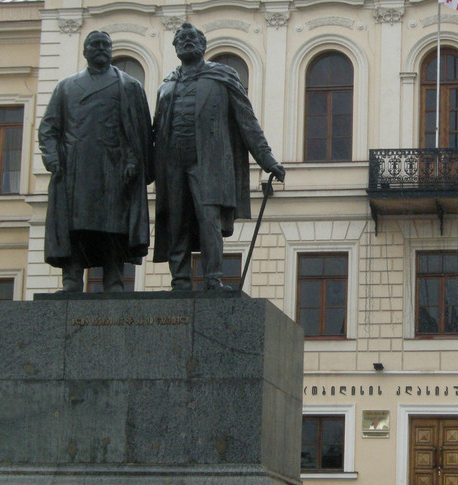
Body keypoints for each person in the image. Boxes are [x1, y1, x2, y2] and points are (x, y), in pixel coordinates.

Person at [153, 23, 285, 291]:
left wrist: (267, 159)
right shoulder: (166, 85)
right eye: (182, 39)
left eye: (192, 39)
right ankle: (180, 280)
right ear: (175, 47)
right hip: (173, 165)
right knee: (176, 222)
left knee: (208, 220)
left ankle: (213, 278)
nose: (187, 42)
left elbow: (247, 121)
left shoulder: (222, 76)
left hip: (209, 163)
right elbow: (157, 131)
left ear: (203, 46)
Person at [39, 31, 154, 292]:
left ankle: (114, 279)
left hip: (114, 168)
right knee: (75, 227)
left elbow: (141, 132)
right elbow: (48, 128)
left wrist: (134, 160)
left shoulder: (129, 85)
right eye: (95, 45)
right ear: (85, 51)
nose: (100, 48)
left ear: (111, 50)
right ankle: (71, 279)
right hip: (75, 169)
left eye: (105, 45)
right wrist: (53, 159)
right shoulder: (66, 86)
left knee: (113, 227)